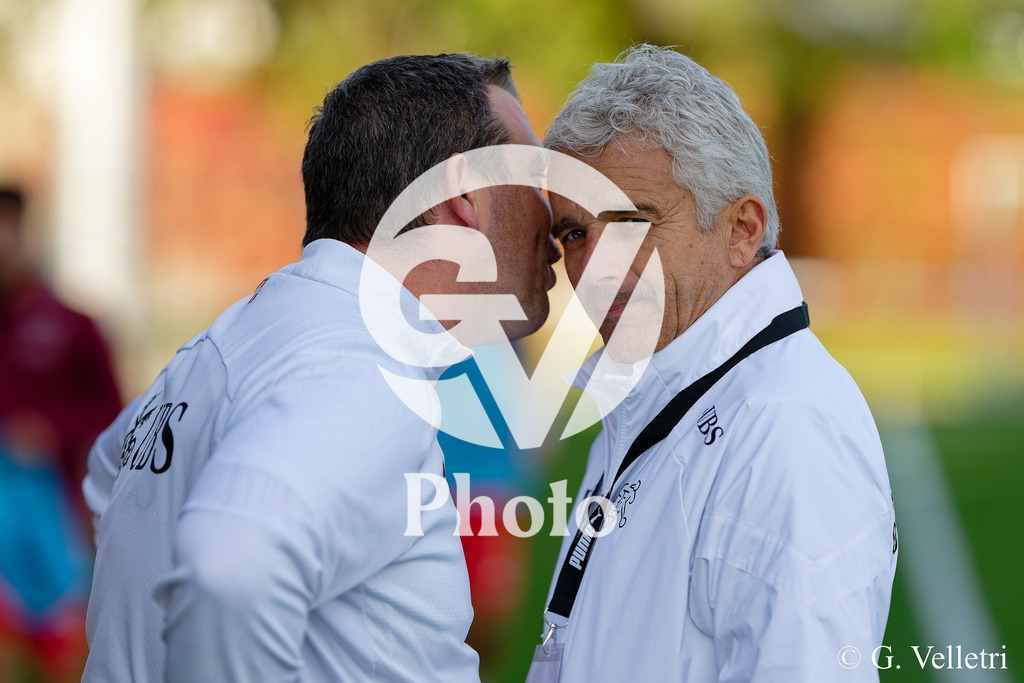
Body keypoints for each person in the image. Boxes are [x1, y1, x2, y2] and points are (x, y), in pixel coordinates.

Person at [83, 54, 559, 682]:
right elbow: (229, 566)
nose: (558, 220)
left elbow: (109, 477)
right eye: (535, 180)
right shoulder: (358, 366)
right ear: (466, 197)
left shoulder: (240, 338)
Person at [530, 45, 896, 682]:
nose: (595, 266)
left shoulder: (783, 428)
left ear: (742, 229)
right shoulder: (662, 392)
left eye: (632, 222)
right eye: (575, 234)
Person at [0, 185, 121, 683]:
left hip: (57, 523)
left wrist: (52, 432)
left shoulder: (71, 325)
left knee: (65, 654)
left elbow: (117, 417)